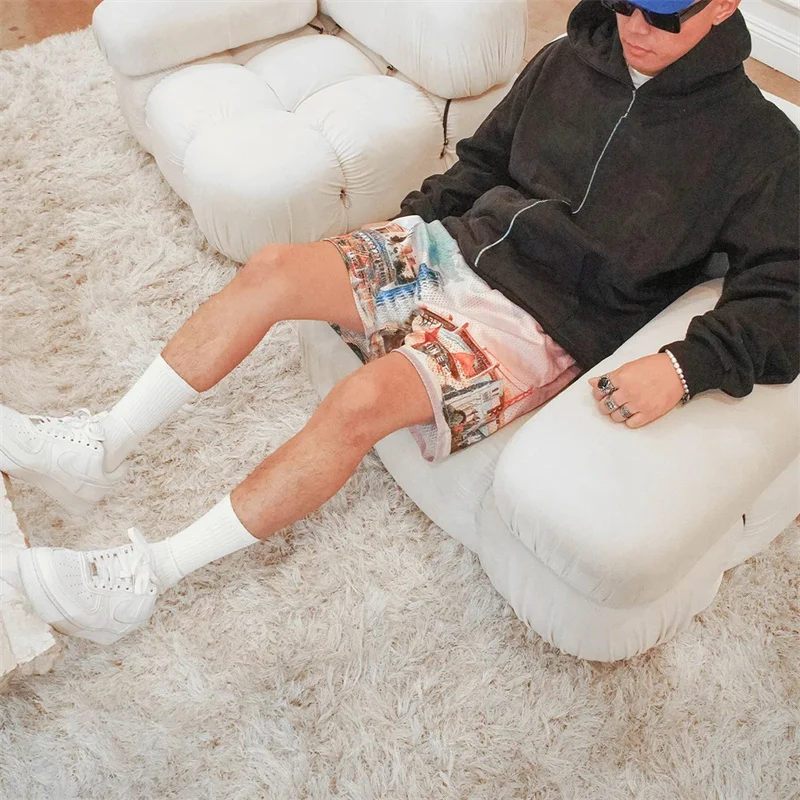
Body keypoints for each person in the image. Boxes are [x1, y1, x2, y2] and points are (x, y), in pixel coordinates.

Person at [1, 0, 797, 645]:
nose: (634, 26)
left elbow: (785, 293)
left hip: (542, 325)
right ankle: (99, 445)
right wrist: (400, 233)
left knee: (361, 401)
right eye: (624, 3)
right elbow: (483, 163)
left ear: (723, 5)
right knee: (274, 269)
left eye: (663, 13)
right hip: (456, 247)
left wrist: (684, 367)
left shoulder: (760, 148)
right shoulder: (566, 59)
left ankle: (148, 578)